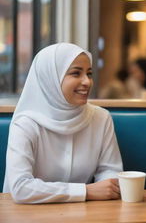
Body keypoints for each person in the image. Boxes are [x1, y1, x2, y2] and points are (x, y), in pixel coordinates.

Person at [3, 43, 123, 203]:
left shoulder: (101, 118)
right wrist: (85, 191)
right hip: (27, 214)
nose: (87, 82)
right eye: (76, 73)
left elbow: (110, 172)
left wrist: (107, 186)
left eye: (89, 73)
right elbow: (20, 187)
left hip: (86, 215)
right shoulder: (25, 124)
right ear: (51, 78)